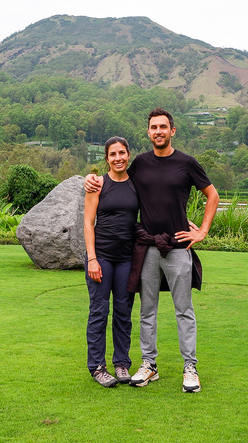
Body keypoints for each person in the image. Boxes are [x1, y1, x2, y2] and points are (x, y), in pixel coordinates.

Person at [85, 108, 219, 393]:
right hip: (146, 249)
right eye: (153, 127)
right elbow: (115, 176)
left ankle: (190, 367)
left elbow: (212, 195)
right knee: (147, 311)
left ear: (172, 131)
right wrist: (89, 178)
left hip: (178, 246)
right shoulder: (140, 164)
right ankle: (149, 365)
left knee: (184, 310)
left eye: (163, 127)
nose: (158, 131)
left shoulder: (187, 163)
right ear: (148, 132)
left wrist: (202, 230)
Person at [83, 136, 138, 388]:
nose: (118, 158)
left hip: (127, 258)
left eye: (122, 153)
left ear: (128, 155)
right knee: (99, 311)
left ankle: (122, 364)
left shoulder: (136, 184)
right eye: (113, 154)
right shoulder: (98, 185)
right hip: (101, 257)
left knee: (123, 313)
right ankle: (97, 367)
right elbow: (88, 222)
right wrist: (92, 259)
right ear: (106, 158)